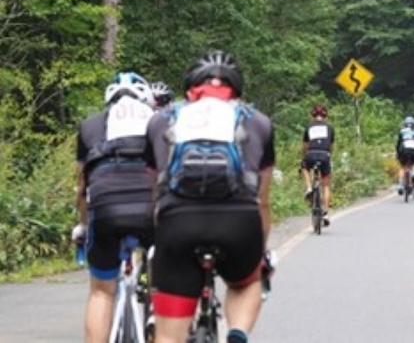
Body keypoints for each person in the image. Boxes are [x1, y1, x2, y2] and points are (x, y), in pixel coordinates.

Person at [144, 50, 275, 343]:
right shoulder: (258, 123)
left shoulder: (161, 121)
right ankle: (237, 333)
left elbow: (153, 193)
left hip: (178, 223)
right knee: (246, 282)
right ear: (236, 89)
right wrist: (260, 249)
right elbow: (263, 200)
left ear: (190, 88)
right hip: (238, 222)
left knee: (168, 336)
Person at [72, 71, 156, 343]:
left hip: (106, 206)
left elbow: (82, 188)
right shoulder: (161, 122)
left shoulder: (91, 126)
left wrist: (83, 226)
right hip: (152, 204)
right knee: (169, 282)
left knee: (101, 292)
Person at [300, 104, 335, 226]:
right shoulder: (329, 127)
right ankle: (325, 212)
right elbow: (331, 146)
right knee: (325, 185)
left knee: (304, 167)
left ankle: (309, 188)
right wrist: (330, 156)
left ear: (313, 116)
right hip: (325, 155)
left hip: (311, 154)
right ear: (326, 116)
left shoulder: (309, 127)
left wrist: (304, 156)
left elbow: (305, 145)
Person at [395, 116, 414, 194]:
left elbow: (398, 144)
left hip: (404, 151)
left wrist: (398, 153)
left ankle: (400, 185)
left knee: (402, 167)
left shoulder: (402, 131)